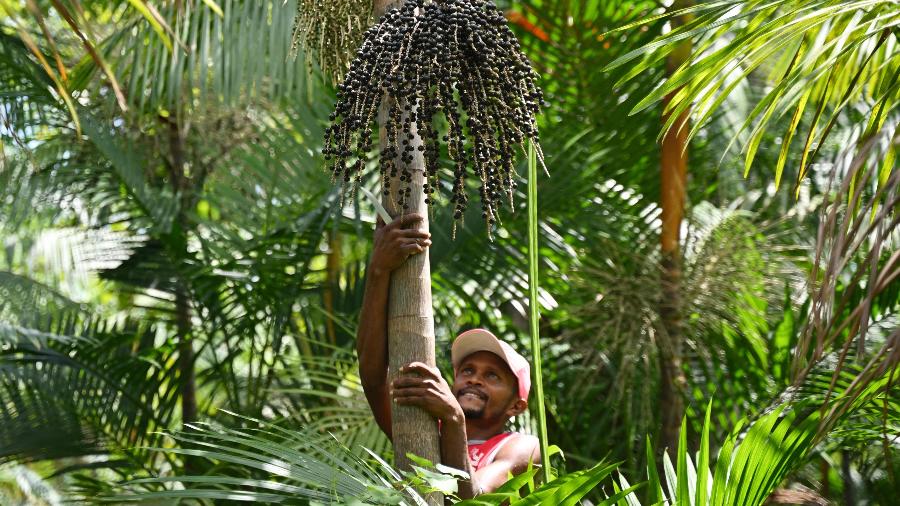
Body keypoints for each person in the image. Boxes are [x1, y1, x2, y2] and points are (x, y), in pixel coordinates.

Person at [357, 213, 540, 499]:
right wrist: (378, 270)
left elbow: (475, 501)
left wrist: (454, 419)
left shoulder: (522, 447)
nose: (475, 379)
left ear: (517, 405)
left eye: (492, 375)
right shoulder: (426, 428)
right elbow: (373, 380)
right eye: (467, 370)